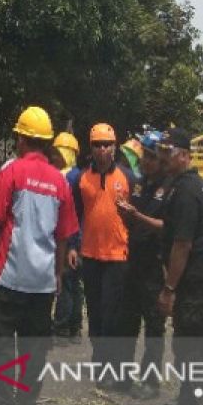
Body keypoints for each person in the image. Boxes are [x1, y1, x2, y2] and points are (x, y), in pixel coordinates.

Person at [0, 106, 79, 405]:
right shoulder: (60, 181)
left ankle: (2, 403)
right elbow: (64, 235)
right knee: (34, 347)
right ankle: (25, 403)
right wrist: (58, 275)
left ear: (22, 139)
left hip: (8, 276)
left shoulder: (11, 172)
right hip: (42, 282)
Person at [157, 128, 203, 405]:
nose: (163, 157)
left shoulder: (185, 191)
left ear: (184, 155)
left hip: (197, 280)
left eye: (168, 152)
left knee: (190, 346)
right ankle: (189, 401)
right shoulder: (191, 183)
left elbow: (182, 244)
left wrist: (169, 289)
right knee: (194, 344)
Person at [72, 122, 135, 379]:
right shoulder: (81, 179)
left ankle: (111, 366)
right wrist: (73, 247)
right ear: (91, 148)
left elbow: (135, 217)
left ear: (115, 147)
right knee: (95, 313)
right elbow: (75, 216)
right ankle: (99, 364)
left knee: (112, 315)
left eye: (106, 144)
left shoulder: (127, 178)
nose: (102, 149)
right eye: (97, 145)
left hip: (117, 257)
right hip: (90, 255)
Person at [113, 130, 169, 400]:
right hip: (133, 262)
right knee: (126, 322)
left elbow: (166, 228)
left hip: (155, 266)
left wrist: (137, 216)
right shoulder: (139, 185)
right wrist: (125, 214)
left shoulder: (169, 189)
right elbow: (132, 219)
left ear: (162, 160)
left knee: (154, 327)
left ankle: (150, 382)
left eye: (152, 157)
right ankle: (122, 377)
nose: (147, 162)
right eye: (145, 156)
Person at [51, 132, 84, 344]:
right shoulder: (78, 175)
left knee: (65, 280)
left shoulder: (65, 177)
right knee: (75, 282)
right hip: (78, 235)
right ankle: (75, 325)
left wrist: (70, 243)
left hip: (67, 236)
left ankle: (62, 325)